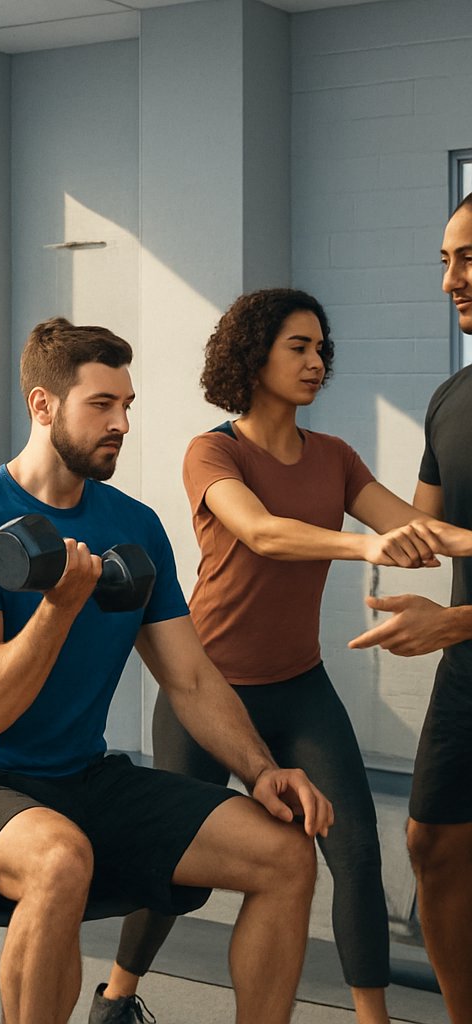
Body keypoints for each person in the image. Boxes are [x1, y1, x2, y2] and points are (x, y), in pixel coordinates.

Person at [0, 316, 335, 1024]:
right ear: (43, 407)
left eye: (126, 405)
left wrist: (261, 770)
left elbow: (191, 678)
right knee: (59, 859)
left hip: (80, 776)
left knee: (285, 854)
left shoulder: (133, 525)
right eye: (100, 405)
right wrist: (57, 610)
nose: (122, 424)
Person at [94, 288, 472, 1024]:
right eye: (297, 346)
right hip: (206, 685)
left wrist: (450, 539)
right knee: (170, 860)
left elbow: (424, 529)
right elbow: (262, 531)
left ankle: (373, 1018)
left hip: (299, 686)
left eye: (321, 348)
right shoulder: (215, 450)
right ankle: (117, 994)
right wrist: (363, 544)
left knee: (355, 846)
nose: (315, 361)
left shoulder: (334, 457)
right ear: (254, 353)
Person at [349, 191, 472, 1021]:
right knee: (433, 845)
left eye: (467, 259)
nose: (449, 280)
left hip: (460, 635)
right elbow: (425, 527)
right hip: (467, 667)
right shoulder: (451, 397)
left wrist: (452, 622)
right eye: (444, 261)